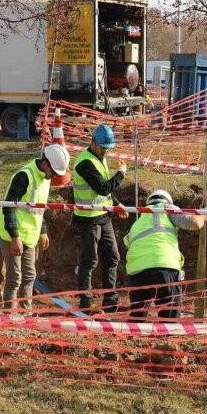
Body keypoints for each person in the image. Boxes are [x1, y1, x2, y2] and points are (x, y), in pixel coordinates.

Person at [0, 144, 71, 310]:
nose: (54, 177)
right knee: (14, 277)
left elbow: (39, 208)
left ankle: (26, 312)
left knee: (30, 275)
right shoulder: (24, 176)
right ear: (46, 164)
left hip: (30, 236)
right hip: (12, 235)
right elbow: (8, 207)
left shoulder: (44, 178)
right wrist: (15, 237)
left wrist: (43, 231)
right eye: (54, 172)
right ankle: (9, 314)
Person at [123, 189, 207, 320]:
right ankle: (166, 339)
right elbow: (194, 223)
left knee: (136, 321)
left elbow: (128, 243)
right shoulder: (167, 208)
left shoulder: (138, 222)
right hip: (163, 269)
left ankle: (131, 338)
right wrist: (204, 215)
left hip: (136, 274)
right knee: (169, 322)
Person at [72, 123, 128, 311]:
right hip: (88, 219)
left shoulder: (99, 158)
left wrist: (116, 203)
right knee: (90, 260)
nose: (106, 151)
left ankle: (110, 301)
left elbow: (105, 191)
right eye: (103, 147)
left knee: (112, 256)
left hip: (103, 216)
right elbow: (102, 187)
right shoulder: (84, 163)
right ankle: (85, 302)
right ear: (93, 143)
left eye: (108, 148)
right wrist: (120, 175)